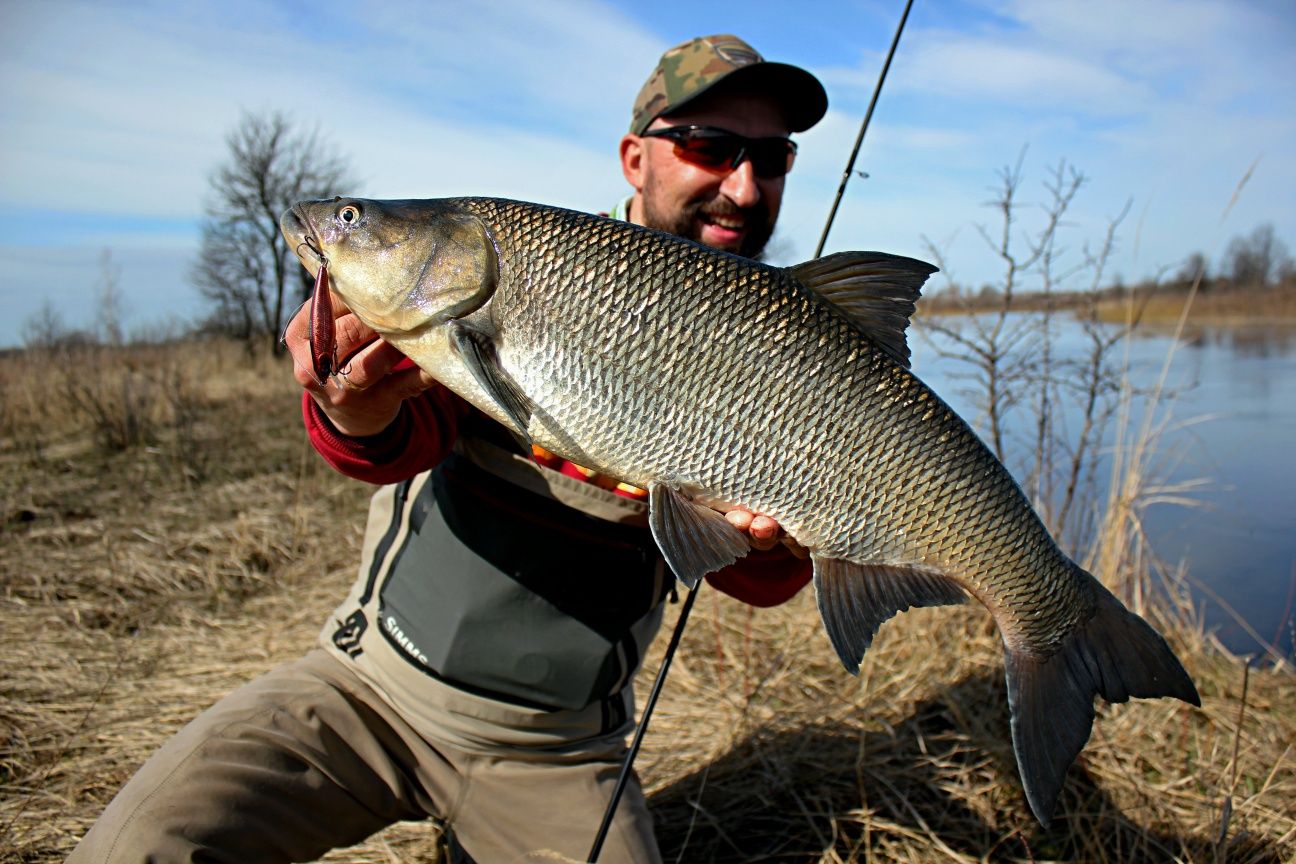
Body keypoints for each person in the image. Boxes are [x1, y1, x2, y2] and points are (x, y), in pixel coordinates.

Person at [71, 34, 828, 864]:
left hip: (558, 749)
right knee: (137, 850)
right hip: (367, 691)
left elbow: (759, 581)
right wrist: (348, 404)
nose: (743, 186)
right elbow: (384, 440)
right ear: (634, 156)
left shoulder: (791, 343)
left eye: (773, 158)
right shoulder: (501, 270)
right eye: (709, 147)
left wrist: (778, 543)